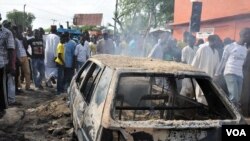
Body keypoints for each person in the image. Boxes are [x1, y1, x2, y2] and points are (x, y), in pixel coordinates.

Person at [216, 28, 250, 109]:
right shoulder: (230, 46)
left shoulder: (245, 49)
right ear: (245, 35)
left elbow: (243, 63)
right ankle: (233, 114)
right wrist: (217, 73)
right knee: (234, 97)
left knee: (237, 98)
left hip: (240, 75)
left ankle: (231, 113)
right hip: (230, 73)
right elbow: (223, 61)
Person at [192, 35, 220, 104]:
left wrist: (217, 75)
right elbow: (195, 61)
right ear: (211, 41)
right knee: (200, 94)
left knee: (208, 94)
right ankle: (199, 110)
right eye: (217, 41)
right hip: (201, 75)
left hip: (211, 77)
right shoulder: (203, 48)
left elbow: (217, 66)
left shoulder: (216, 52)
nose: (218, 43)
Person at [0, 13, 15, 112]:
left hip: (1, 64)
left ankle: (2, 109)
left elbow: (11, 49)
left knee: (1, 87)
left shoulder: (7, 32)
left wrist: (11, 65)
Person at [241, 45, 250, 116]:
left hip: (246, 74)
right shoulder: (247, 51)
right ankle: (245, 113)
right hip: (246, 74)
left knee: (246, 93)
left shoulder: (247, 51)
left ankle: (245, 113)